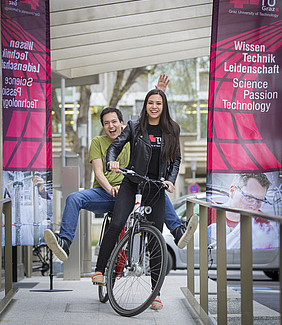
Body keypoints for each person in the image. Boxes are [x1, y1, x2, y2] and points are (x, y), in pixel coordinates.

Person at [44, 75, 198, 262]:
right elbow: (99, 172)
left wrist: (159, 95)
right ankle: (64, 242)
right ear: (103, 126)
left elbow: (151, 120)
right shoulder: (98, 142)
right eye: (106, 123)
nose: (111, 126)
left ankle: (178, 231)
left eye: (114, 122)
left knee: (158, 190)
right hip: (108, 193)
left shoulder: (134, 135)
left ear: (122, 124)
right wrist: (110, 188)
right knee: (74, 198)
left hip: (134, 190)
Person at [92, 88, 181, 310]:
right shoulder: (134, 126)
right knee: (117, 223)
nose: (154, 107)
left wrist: (170, 180)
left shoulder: (172, 130)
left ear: (164, 106)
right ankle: (100, 270)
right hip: (132, 182)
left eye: (158, 103)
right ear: (146, 105)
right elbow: (115, 146)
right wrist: (111, 160)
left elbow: (176, 159)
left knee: (155, 240)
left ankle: (156, 293)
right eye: (150, 102)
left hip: (155, 188)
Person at [208, 173, 279, 249]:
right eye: (249, 198)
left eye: (259, 201)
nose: (254, 206)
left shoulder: (261, 221)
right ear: (232, 191)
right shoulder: (208, 211)